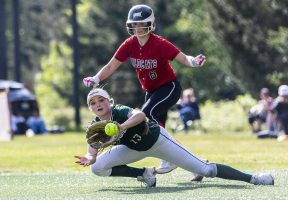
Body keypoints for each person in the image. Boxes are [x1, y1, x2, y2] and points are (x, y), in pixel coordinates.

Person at [83, 5, 206, 176]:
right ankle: (195, 167)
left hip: (168, 87)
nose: (138, 28)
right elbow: (111, 65)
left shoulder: (160, 43)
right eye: (135, 24)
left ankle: (173, 159)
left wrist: (194, 62)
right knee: (155, 126)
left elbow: (183, 58)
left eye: (142, 24)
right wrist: (96, 78)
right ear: (130, 26)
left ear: (151, 24)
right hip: (151, 91)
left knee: (147, 117)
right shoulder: (129, 44)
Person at [75, 88, 274, 187]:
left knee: (205, 169)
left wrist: (122, 126)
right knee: (97, 168)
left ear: (109, 101)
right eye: (93, 102)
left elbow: (141, 115)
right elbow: (92, 146)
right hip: (135, 149)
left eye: (101, 99)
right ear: (90, 108)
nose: (98, 104)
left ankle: (254, 178)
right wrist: (90, 157)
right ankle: (145, 174)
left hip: (158, 141)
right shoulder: (96, 125)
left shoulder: (119, 111)